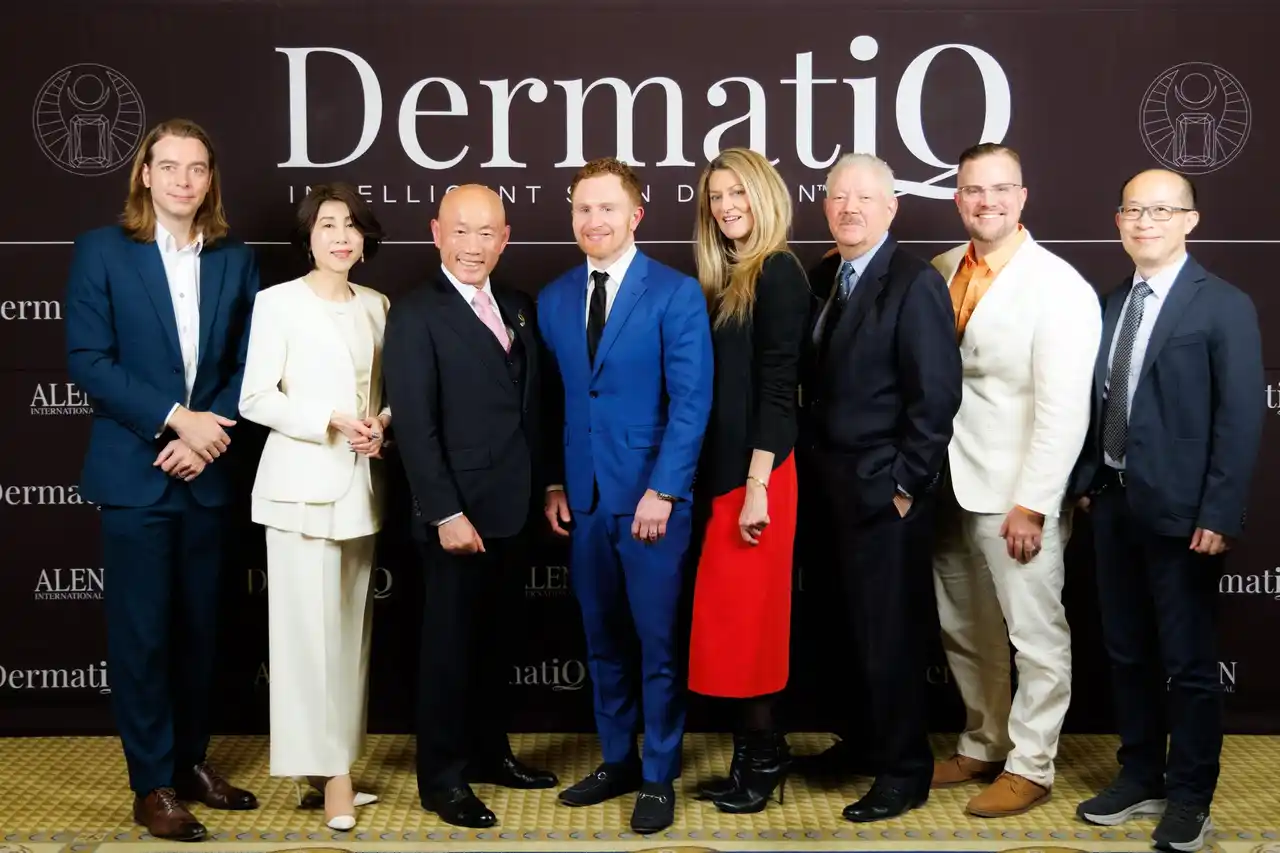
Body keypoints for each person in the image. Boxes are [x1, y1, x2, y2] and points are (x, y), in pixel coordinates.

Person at [64, 118, 260, 842]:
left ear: (210, 180)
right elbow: (88, 360)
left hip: (207, 474)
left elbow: (251, 362)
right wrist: (178, 421)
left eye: (197, 167)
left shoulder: (236, 259)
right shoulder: (101, 251)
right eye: (169, 165)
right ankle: (152, 784)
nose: (183, 179)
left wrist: (208, 437)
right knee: (143, 636)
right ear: (145, 174)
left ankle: (189, 762)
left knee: (200, 633)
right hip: (136, 474)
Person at [1070, 169, 1264, 852]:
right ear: (1118, 221)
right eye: (1133, 209)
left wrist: (1220, 510)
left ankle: (1189, 796)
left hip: (1186, 514)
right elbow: (1096, 400)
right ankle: (1140, 775)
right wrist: (1089, 481)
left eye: (1160, 209)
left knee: (1188, 662)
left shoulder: (1224, 304)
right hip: (1115, 503)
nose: (1145, 221)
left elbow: (1240, 416)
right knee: (1126, 652)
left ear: (1190, 220)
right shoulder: (1110, 302)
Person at [538, 157, 713, 834]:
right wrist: (556, 481)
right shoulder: (554, 297)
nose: (594, 220)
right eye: (583, 208)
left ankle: (659, 774)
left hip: (652, 503)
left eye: (607, 208)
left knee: (658, 644)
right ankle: (618, 760)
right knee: (602, 639)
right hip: (584, 501)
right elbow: (557, 400)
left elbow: (692, 403)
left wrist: (664, 489)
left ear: (635, 215)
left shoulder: (675, 293)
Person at [927, 143, 1102, 817]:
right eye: (974, 189)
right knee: (966, 627)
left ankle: (1031, 764)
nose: (987, 201)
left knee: (1035, 635)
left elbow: (1064, 408)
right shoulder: (942, 269)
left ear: (1023, 197)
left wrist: (1035, 502)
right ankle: (983, 741)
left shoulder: (1058, 285)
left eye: (1001, 189)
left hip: (1016, 496)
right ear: (958, 199)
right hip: (948, 484)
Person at [382, 184, 558, 830]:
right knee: (447, 652)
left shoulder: (518, 305)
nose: (473, 245)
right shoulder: (414, 314)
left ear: (504, 238)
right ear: (437, 233)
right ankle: (443, 778)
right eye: (461, 231)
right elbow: (416, 425)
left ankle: (489, 752)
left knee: (496, 643)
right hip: (454, 516)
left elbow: (535, 406)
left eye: (487, 233)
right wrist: (444, 512)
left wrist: (548, 485)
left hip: (514, 508)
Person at [802, 153, 961, 823]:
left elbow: (936, 397)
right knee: (843, 632)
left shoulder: (915, 281)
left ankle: (904, 769)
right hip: (824, 492)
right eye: (839, 197)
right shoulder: (821, 277)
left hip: (883, 495)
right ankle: (860, 744)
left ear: (891, 207)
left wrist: (904, 484)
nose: (849, 209)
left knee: (889, 637)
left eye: (864, 198)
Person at [237, 182, 391, 831]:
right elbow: (254, 398)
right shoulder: (278, 303)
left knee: (350, 637)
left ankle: (331, 763)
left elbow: (385, 392)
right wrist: (327, 418)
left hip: (360, 488)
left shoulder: (378, 304)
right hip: (298, 490)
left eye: (351, 225)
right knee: (305, 639)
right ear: (308, 236)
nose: (340, 236)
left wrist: (382, 424)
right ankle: (333, 778)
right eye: (328, 224)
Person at [684, 147, 811, 814]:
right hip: (723, 475)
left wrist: (757, 484)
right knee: (732, 627)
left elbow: (779, 389)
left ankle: (764, 758)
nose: (727, 205)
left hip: (758, 477)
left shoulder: (778, 271)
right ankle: (750, 756)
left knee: (750, 628)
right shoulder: (723, 277)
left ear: (764, 196)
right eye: (717, 196)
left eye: (738, 192)